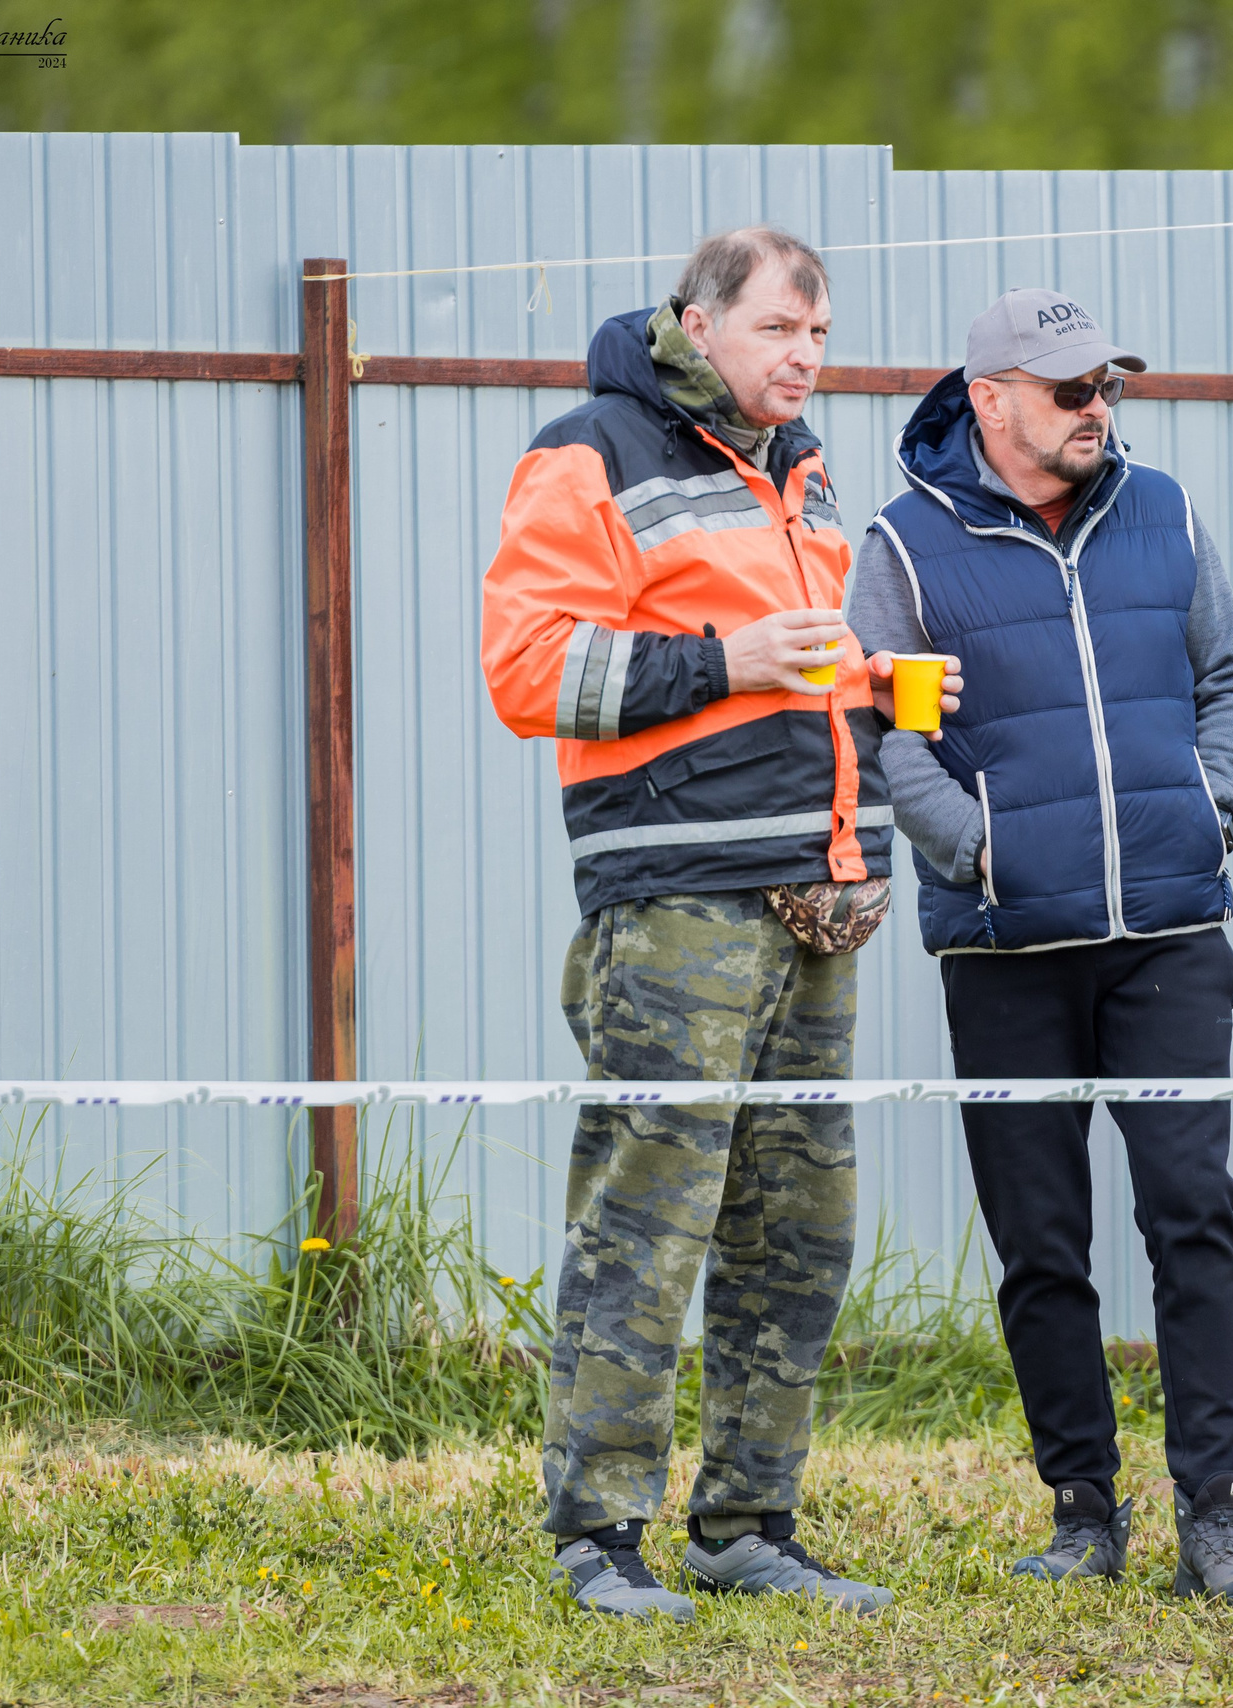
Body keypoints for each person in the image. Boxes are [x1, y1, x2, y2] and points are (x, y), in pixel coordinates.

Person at [481, 225, 943, 1621]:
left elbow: (785, 681)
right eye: (781, 330)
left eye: (820, 335)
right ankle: (597, 1537)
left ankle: (748, 1524)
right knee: (651, 1218)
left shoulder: (797, 468)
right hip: (675, 901)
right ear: (699, 320)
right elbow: (526, 666)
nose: (806, 356)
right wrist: (725, 660)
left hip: (812, 896)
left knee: (797, 1231)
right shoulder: (593, 450)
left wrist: (872, 685)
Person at [846, 287, 1233, 1602]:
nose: (1099, 411)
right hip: (1003, 944)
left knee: (1191, 1216)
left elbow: (1232, 682)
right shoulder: (905, 545)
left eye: (1106, 388)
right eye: (1070, 390)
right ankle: (1085, 1511)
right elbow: (878, 734)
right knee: (1040, 1239)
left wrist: (1217, 807)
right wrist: (977, 849)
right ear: (991, 400)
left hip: (1170, 931)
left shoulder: (1169, 513)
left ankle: (1218, 1518)